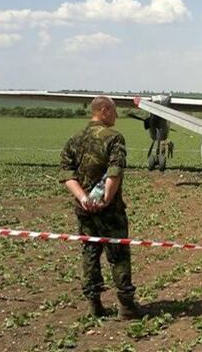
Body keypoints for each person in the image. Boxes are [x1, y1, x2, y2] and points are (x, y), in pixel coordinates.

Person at [59, 96, 142, 319]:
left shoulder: (74, 139)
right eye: (114, 112)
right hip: (110, 211)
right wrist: (105, 199)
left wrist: (83, 198)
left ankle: (94, 305)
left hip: (83, 209)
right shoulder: (114, 138)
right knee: (118, 255)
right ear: (104, 110)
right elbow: (115, 171)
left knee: (90, 253)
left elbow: (67, 174)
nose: (116, 116)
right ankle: (127, 306)